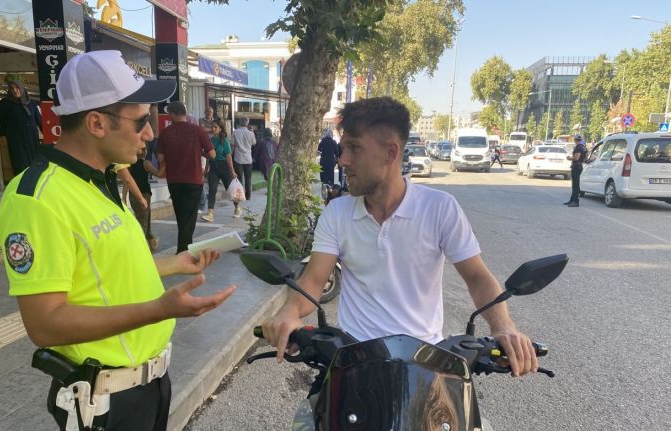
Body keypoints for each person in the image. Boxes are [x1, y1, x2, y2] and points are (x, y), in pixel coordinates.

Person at [0, 50, 236, 431]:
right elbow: (45, 325)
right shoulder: (36, 199)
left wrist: (172, 265)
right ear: (96, 123)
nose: (151, 133)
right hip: (104, 402)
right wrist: (160, 309)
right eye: (141, 121)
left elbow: (102, 274)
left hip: (150, 386)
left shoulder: (101, 180)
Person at [262, 97, 538, 379]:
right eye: (343, 148)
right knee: (309, 421)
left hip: (426, 361)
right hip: (351, 360)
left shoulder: (440, 208)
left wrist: (503, 325)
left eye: (354, 148)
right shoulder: (337, 212)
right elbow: (313, 281)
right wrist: (290, 311)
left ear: (390, 153)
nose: (342, 160)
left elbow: (477, 277)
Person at [157, 101, 216, 253]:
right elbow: (212, 154)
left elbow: (160, 158)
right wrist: (198, 152)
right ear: (185, 113)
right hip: (194, 180)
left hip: (174, 180)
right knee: (189, 217)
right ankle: (183, 250)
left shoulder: (165, 133)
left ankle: (183, 249)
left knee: (181, 216)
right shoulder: (198, 130)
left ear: (172, 114)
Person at [0, 80, 42, 175]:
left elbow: (38, 119)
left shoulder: (31, 102)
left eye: (17, 88)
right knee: (20, 162)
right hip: (16, 139)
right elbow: (1, 121)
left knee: (33, 161)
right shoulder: (6, 103)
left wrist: (45, 132)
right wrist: (2, 135)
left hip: (31, 138)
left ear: (21, 88)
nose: (15, 90)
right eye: (12, 88)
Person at [122, 145, 162, 250]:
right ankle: (139, 248)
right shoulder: (146, 163)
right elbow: (159, 174)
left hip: (133, 196)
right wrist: (165, 163)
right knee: (143, 224)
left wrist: (124, 197)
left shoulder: (130, 165)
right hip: (143, 196)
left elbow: (127, 182)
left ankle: (151, 242)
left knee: (144, 221)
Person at [202, 119, 240, 222]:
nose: (213, 129)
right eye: (212, 127)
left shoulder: (225, 141)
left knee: (229, 189)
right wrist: (206, 169)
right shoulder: (211, 140)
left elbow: (228, 156)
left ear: (220, 129)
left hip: (224, 167)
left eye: (215, 127)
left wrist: (232, 171)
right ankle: (210, 213)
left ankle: (237, 207)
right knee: (212, 190)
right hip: (213, 167)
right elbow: (209, 156)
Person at [231, 116, 256, 204]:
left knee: (240, 178)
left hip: (238, 158)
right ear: (247, 123)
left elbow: (232, 144)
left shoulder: (235, 132)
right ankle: (248, 196)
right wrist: (252, 132)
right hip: (248, 159)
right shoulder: (251, 133)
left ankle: (240, 195)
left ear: (240, 122)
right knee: (248, 178)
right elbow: (254, 143)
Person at [564, 134, 587, 207]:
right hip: (580, 166)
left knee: (575, 185)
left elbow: (576, 158)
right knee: (575, 185)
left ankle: (575, 201)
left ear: (575, 140)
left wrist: (569, 158)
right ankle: (572, 200)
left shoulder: (578, 147)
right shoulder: (584, 147)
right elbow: (586, 157)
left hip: (576, 166)